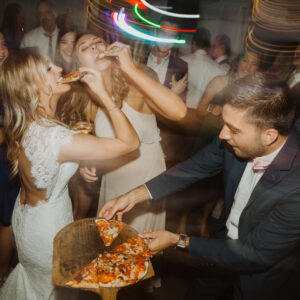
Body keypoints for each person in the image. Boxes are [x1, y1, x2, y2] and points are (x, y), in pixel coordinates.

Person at [99, 73, 300, 300]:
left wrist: (178, 240)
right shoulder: (236, 135)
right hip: (219, 246)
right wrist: (134, 195)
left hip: (264, 275)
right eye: (224, 123)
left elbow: (252, 255)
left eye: (233, 130)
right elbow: (193, 168)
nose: (223, 135)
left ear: (269, 136)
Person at [0, 46, 140, 299]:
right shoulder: (56, 137)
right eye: (49, 68)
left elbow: (47, 162)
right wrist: (105, 96)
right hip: (47, 232)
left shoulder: (27, 121)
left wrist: (77, 157)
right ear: (34, 85)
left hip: (26, 220)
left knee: (36, 287)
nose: (60, 69)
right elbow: (131, 144)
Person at [66, 33, 186, 233]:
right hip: (113, 176)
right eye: (85, 48)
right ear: (78, 63)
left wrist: (129, 68)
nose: (95, 48)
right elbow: (98, 139)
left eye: (98, 42)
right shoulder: (88, 96)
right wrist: (87, 160)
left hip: (144, 177)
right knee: (110, 243)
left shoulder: (133, 84)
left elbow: (179, 112)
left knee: (132, 248)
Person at [0, 32, 20, 287]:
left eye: (2, 44)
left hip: (10, 160)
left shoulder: (8, 80)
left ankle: (3, 272)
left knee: (9, 219)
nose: (1, 50)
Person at [181, 28, 224, 109]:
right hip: (202, 113)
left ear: (193, 43)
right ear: (208, 46)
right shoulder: (217, 68)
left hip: (182, 109)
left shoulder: (182, 61)